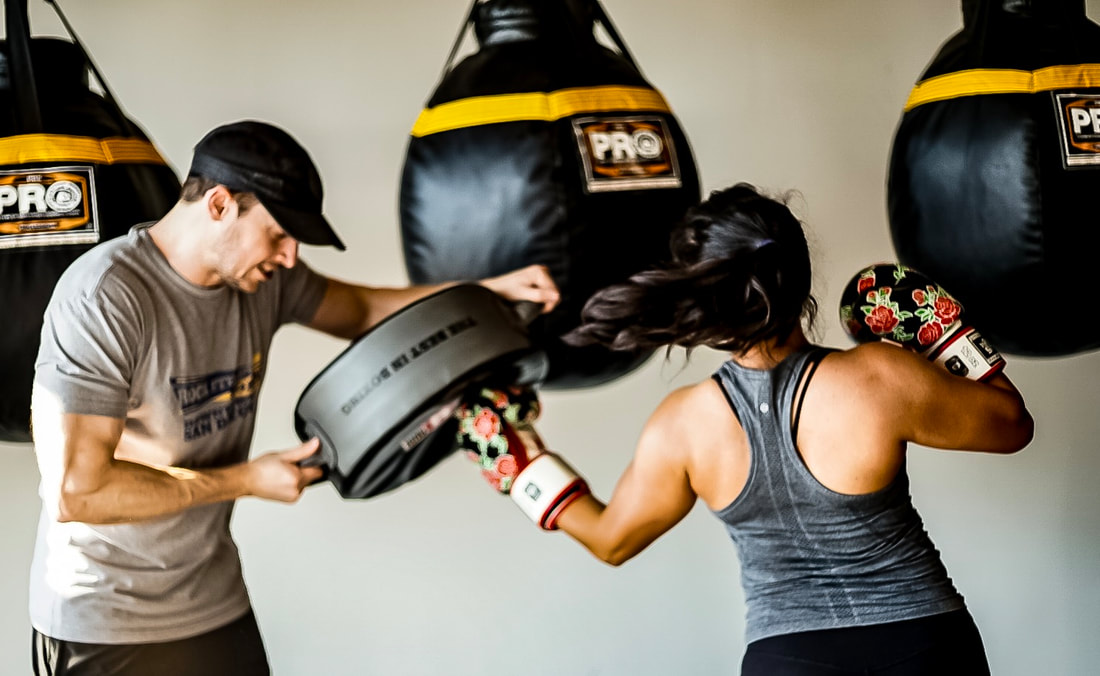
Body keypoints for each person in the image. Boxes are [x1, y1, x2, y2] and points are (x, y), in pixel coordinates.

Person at [28, 119, 560, 676]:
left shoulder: (264, 282)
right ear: (219, 205)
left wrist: (481, 294)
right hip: (102, 619)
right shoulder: (105, 297)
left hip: (211, 602)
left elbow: (363, 310)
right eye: (279, 234)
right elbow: (77, 492)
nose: (289, 257)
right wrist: (246, 480)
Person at [458, 183, 1033, 675]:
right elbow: (1013, 425)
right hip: (924, 644)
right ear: (800, 279)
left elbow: (611, 540)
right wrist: (943, 332)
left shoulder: (683, 425)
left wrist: (512, 461)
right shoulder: (879, 378)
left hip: (787, 660)